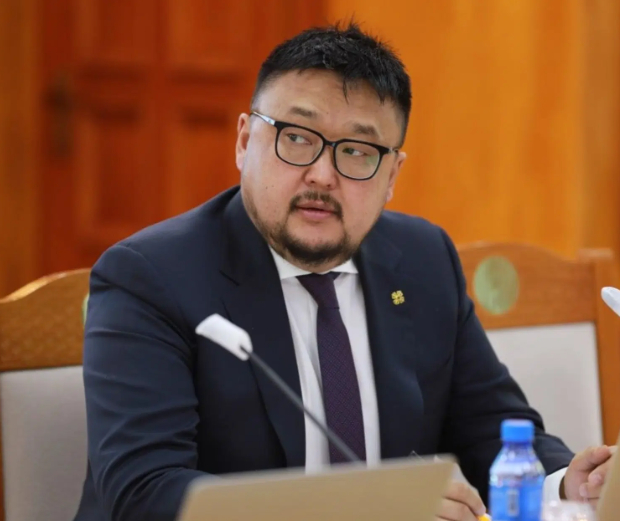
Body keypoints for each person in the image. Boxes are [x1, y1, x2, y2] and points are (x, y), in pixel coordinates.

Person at [73, 22, 614, 521]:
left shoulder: (422, 258)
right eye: (296, 137)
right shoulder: (151, 277)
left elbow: (489, 427)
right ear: (243, 141)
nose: (322, 174)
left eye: (357, 151)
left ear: (392, 175)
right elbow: (144, 491)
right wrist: (365, 509)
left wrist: (568, 485)